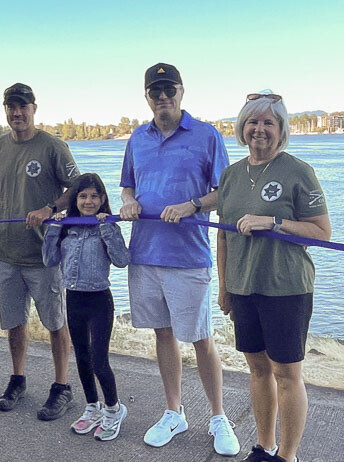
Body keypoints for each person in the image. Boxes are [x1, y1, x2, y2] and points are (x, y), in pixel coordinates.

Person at [119, 63, 240, 455]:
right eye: (155, 91)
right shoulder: (137, 138)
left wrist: (192, 205)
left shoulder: (206, 136)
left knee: (201, 338)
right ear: (147, 97)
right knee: (163, 334)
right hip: (145, 254)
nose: (162, 97)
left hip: (188, 256)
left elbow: (225, 194)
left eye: (168, 89)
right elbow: (126, 188)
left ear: (182, 92)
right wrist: (129, 203)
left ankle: (218, 417)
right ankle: (174, 411)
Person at [217, 91, 331, 462]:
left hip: (286, 288)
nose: (259, 129)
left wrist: (275, 223)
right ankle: (264, 447)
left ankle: (287, 456)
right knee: (257, 369)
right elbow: (223, 234)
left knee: (286, 374)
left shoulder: (298, 171)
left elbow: (321, 232)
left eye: (269, 122)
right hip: (244, 286)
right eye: (253, 121)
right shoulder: (232, 175)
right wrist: (224, 287)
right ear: (242, 127)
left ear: (281, 130)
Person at [0, 83, 80, 421]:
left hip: (44, 255)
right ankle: (18, 380)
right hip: (5, 253)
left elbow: (77, 187)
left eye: (23, 107)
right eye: (11, 107)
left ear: (34, 108)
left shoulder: (52, 146)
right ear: (5, 110)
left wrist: (50, 208)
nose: (17, 113)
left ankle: (62, 387)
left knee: (55, 322)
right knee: (15, 322)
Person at [42, 173, 130, 441]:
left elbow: (122, 260)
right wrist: (54, 227)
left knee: (99, 360)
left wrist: (106, 228)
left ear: (103, 199)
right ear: (75, 200)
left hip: (99, 300)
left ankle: (114, 409)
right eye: (82, 196)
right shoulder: (67, 226)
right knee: (81, 356)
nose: (88, 201)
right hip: (74, 299)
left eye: (94, 196)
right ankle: (92, 406)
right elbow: (49, 260)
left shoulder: (108, 225)